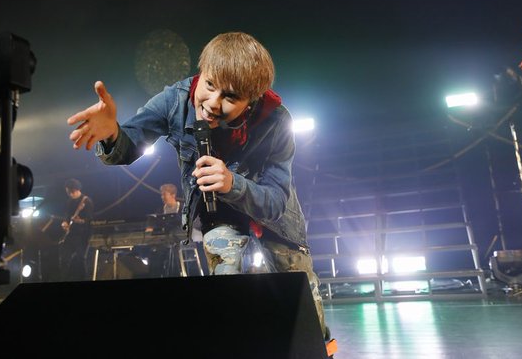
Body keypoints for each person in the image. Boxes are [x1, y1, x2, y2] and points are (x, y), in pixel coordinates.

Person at [67, 31, 335, 355]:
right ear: (202, 72)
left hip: (271, 215)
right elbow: (127, 145)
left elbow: (276, 202)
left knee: (303, 298)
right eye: (209, 85)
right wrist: (111, 134)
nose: (212, 103)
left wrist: (233, 183)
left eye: (230, 97)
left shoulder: (276, 120)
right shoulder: (175, 100)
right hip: (217, 211)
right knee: (226, 291)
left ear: (251, 100)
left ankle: (324, 350)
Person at [59, 178, 94, 281]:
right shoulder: (69, 201)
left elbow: (89, 220)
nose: (70, 194)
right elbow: (67, 215)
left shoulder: (87, 201)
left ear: (77, 189)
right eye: (68, 192)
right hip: (71, 233)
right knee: (64, 258)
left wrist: (80, 221)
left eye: (71, 192)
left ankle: (83, 278)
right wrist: (64, 222)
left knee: (80, 258)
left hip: (83, 234)